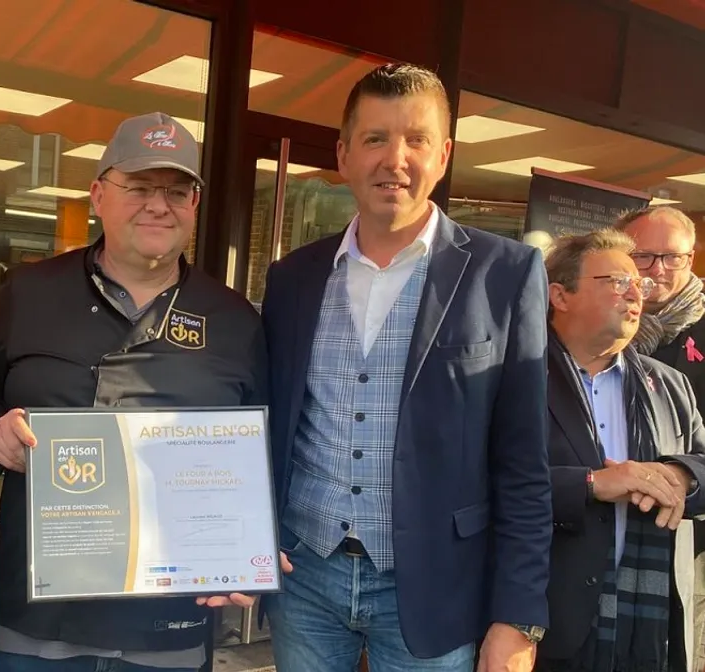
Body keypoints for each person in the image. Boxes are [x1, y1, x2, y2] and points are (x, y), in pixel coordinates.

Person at [261, 63, 552, 672]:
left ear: (443, 155)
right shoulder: (292, 278)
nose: (395, 159)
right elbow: (271, 423)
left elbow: (524, 464)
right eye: (374, 138)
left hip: (439, 588)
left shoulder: (506, 273)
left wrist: (518, 616)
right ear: (343, 154)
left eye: (416, 140)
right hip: (304, 577)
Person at [0, 112, 267, 672]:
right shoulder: (30, 293)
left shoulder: (234, 320)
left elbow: (258, 458)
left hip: (169, 623)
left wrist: (246, 556)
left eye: (176, 191)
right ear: (98, 194)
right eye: (139, 187)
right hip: (39, 619)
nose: (157, 204)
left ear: (195, 205)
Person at [540, 228, 705, 671]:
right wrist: (592, 484)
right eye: (617, 281)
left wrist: (681, 477)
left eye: (641, 285)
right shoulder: (513, 376)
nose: (637, 293)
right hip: (543, 620)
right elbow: (480, 483)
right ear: (561, 295)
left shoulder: (668, 384)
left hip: (645, 628)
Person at [616, 204, 705, 670]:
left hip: (691, 537)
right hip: (596, 527)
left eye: (675, 257)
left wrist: (681, 474)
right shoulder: (582, 327)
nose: (659, 271)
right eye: (644, 256)